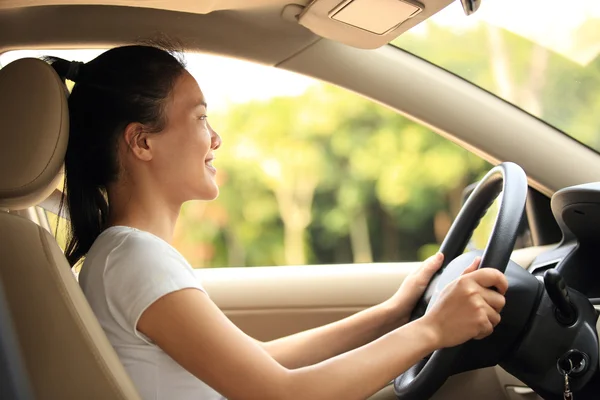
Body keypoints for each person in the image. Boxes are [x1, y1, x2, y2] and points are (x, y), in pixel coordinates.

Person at [47, 42, 508, 400]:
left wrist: (390, 315)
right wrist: (432, 329)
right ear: (142, 142)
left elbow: (262, 364)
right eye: (201, 118)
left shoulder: (123, 254)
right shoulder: (135, 258)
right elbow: (281, 393)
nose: (216, 138)